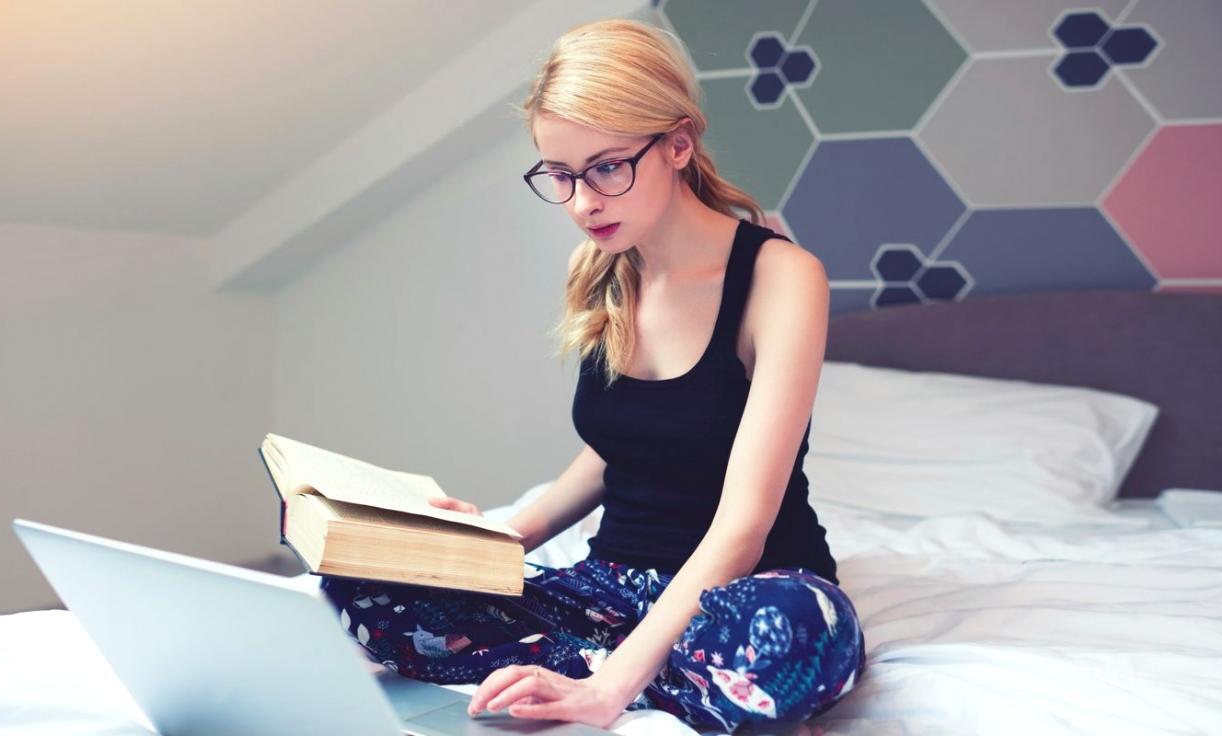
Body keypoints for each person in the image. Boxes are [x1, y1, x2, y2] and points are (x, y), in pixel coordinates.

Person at [318, 18, 865, 734]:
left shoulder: (782, 278)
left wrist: (607, 689)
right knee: (360, 586)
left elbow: (744, 525)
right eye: (562, 175)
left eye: (607, 167)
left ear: (677, 142)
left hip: (747, 586)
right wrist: (491, 545)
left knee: (794, 631)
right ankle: (687, 680)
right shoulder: (608, 268)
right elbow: (618, 451)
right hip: (613, 589)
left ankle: (630, 668)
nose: (583, 203)